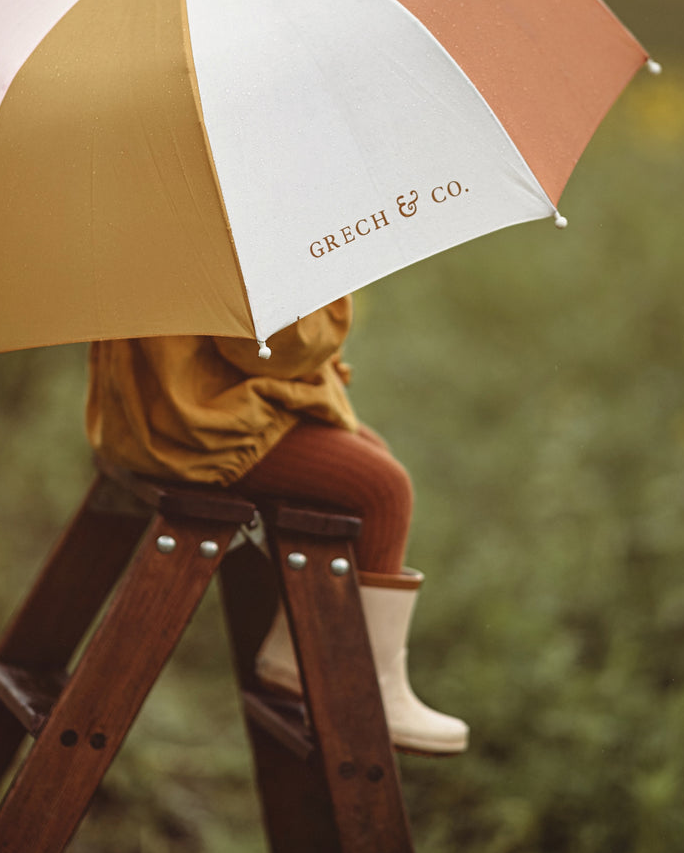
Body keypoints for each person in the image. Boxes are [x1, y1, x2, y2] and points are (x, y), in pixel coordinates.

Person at [86, 296, 468, 754]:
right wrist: (328, 300)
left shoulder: (176, 228)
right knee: (383, 489)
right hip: (204, 423)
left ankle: (296, 652)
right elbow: (270, 346)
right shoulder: (239, 227)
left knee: (371, 452)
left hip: (154, 408)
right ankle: (367, 686)